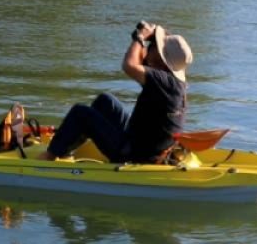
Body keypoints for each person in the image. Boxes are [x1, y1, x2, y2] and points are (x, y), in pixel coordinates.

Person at [45, 20, 191, 163]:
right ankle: (67, 144)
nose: (151, 46)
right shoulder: (172, 83)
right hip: (144, 146)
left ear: (161, 58)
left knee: (80, 113)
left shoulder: (164, 82)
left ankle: (48, 159)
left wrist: (140, 38)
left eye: (154, 45)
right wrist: (146, 39)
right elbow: (139, 62)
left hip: (134, 155)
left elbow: (129, 65)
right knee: (105, 101)